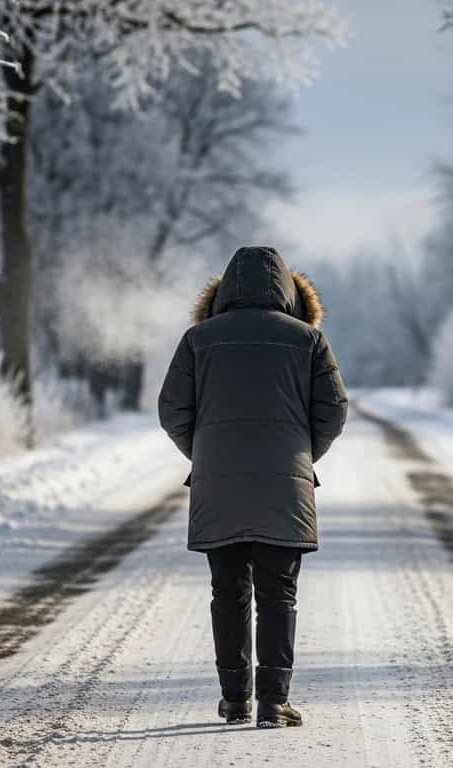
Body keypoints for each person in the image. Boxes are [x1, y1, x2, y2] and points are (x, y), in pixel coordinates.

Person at [158, 246, 348, 729]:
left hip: (217, 489)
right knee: (279, 594)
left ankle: (235, 700)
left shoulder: (198, 340)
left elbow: (171, 409)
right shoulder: (308, 341)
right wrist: (299, 458)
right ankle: (272, 702)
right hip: (284, 492)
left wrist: (206, 456)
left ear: (222, 291)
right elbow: (334, 411)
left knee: (228, 592)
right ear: (289, 292)